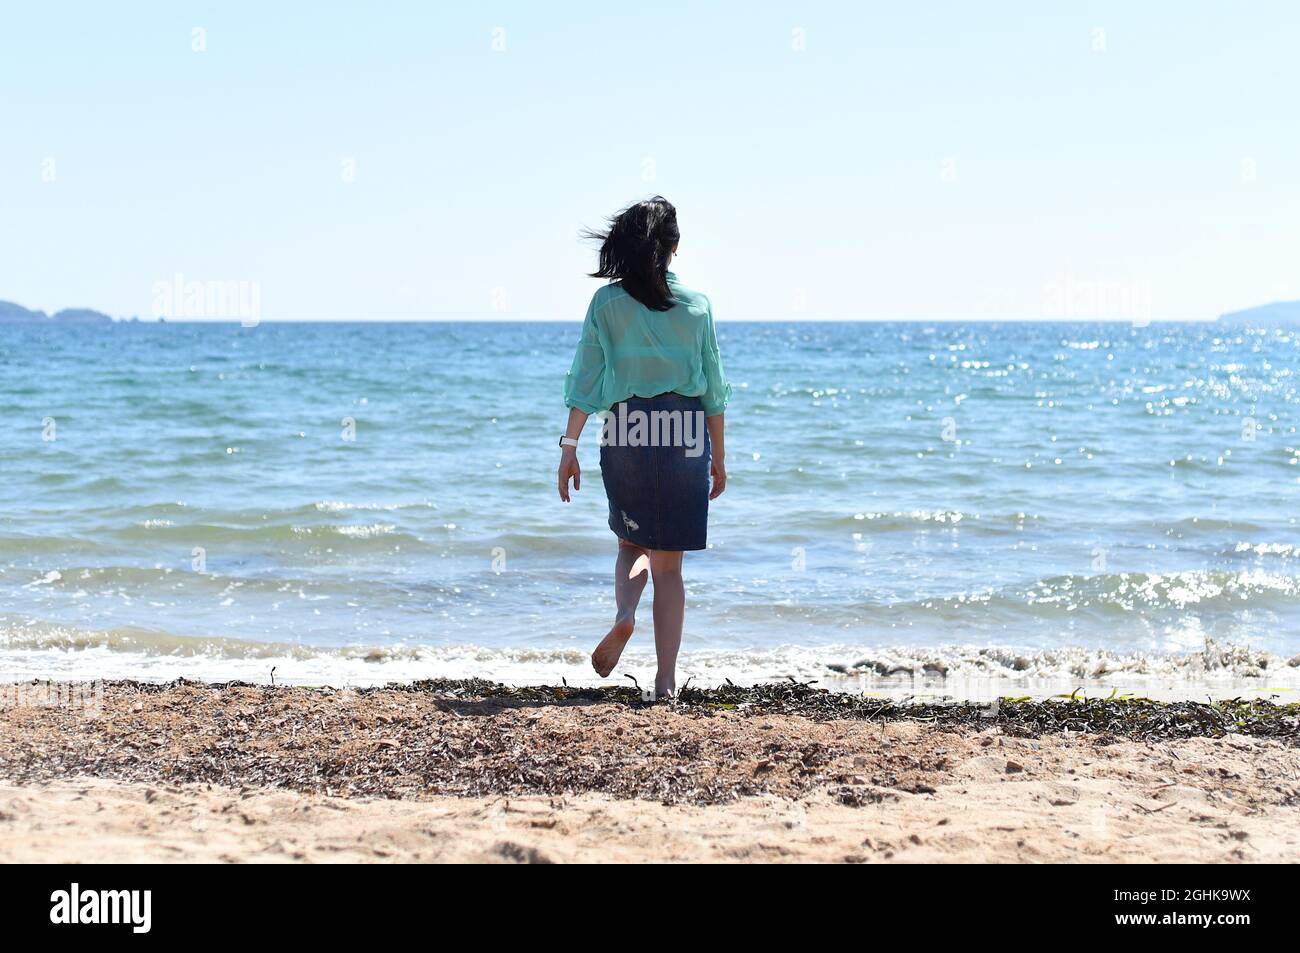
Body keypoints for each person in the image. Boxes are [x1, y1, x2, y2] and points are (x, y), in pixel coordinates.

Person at [557, 196, 731, 698]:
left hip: (627, 427)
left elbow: (585, 379)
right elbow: (713, 390)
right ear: (674, 247)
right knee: (669, 567)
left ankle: (625, 614)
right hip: (684, 430)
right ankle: (666, 681)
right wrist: (719, 457)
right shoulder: (697, 306)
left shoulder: (607, 303)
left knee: (631, 543)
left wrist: (569, 447)